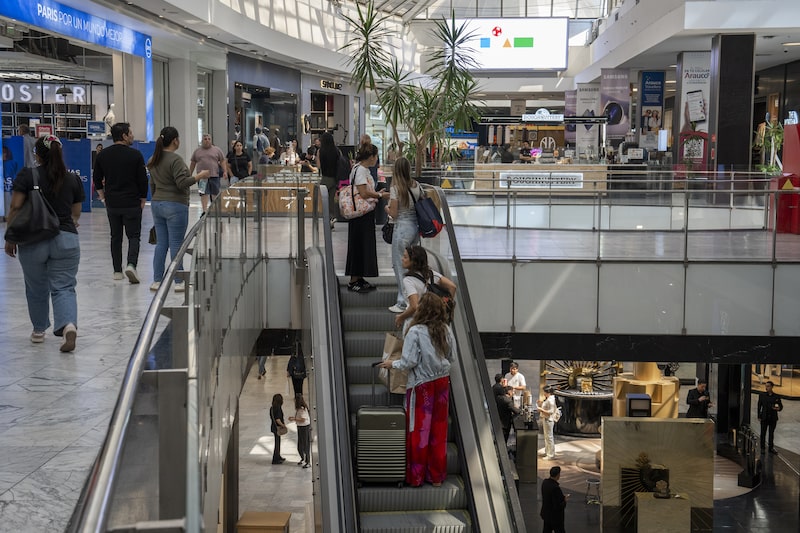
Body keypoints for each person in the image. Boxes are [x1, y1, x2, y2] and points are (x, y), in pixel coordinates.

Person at [4, 135, 84, 352]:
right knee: (64, 286)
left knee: (36, 287)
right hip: (66, 239)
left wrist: (10, 237)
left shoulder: (27, 175)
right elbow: (76, 213)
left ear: (37, 155)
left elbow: (15, 207)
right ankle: (68, 325)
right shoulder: (73, 179)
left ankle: (39, 330)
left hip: (33, 240)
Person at [378, 292, 456, 487]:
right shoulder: (446, 329)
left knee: (419, 430)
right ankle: (436, 477)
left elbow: (409, 361)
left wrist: (392, 364)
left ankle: (416, 477)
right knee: (439, 430)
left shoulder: (415, 331)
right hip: (442, 383)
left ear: (422, 309)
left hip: (422, 386)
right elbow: (452, 357)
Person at [147, 126, 209, 292]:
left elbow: (152, 184)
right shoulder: (176, 160)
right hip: (175, 205)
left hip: (157, 204)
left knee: (161, 244)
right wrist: (200, 176)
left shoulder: (153, 159)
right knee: (176, 244)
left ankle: (157, 280)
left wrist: (157, 198)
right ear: (175, 140)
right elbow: (182, 183)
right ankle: (178, 280)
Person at [93, 122, 148, 284]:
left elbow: (97, 179)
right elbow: (142, 180)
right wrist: (143, 199)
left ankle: (117, 271)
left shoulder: (103, 155)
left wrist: (103, 198)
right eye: (130, 133)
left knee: (115, 237)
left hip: (113, 203)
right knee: (134, 236)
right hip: (132, 202)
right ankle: (131, 265)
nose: (132, 136)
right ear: (124, 136)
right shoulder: (135, 155)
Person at [345, 143, 389, 293]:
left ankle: (359, 277)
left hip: (363, 214)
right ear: (371, 157)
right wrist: (380, 195)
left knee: (361, 245)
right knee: (359, 245)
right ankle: (354, 279)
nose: (376, 159)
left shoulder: (358, 168)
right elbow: (363, 193)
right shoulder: (361, 171)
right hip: (361, 215)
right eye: (376, 156)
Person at [386, 157, 422, 313]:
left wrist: (386, 209)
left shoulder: (396, 188)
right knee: (413, 266)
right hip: (415, 228)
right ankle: (415, 299)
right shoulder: (416, 185)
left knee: (400, 266)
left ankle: (403, 302)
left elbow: (394, 213)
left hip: (402, 229)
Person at [394, 245, 457, 332]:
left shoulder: (408, 280)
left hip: (416, 322)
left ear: (413, 261)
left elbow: (414, 306)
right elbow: (452, 286)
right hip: (435, 321)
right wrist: (445, 307)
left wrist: (401, 317)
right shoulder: (431, 274)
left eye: (405, 257)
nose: (402, 259)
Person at [189, 133, 228, 213]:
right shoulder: (197, 151)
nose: (207, 141)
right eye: (205, 139)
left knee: (215, 193)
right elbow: (193, 162)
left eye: (209, 139)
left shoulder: (217, 150)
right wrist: (190, 173)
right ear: (202, 141)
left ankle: (214, 210)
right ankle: (204, 210)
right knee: (203, 193)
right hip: (202, 177)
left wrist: (225, 171)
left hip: (214, 175)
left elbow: (222, 160)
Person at [757, 380, 783, 454]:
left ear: (772, 387)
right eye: (766, 386)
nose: (766, 388)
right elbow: (759, 406)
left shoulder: (776, 396)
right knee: (763, 433)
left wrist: (778, 408)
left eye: (768, 386)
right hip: (764, 417)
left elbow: (780, 406)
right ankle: (762, 448)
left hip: (773, 418)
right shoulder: (762, 395)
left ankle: (771, 447)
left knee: (771, 433)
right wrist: (759, 416)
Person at [540, 465, 568, 533]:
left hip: (546, 514)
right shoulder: (555, 488)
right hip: (555, 517)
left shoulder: (545, 483)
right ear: (558, 475)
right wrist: (564, 500)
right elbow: (558, 505)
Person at [288, 394, 311, 468]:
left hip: (304, 427)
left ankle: (308, 461)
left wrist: (294, 419)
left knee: (305, 444)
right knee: (300, 445)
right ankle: (303, 458)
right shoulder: (299, 409)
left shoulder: (302, 409)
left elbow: (303, 419)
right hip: (300, 427)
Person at [537, 386, 558, 459]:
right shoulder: (548, 399)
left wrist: (541, 410)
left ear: (548, 392)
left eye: (544, 392)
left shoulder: (551, 400)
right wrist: (541, 403)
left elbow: (551, 411)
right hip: (546, 418)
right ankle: (547, 452)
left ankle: (551, 454)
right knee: (546, 437)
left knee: (549, 437)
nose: (544, 393)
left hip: (549, 419)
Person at [269, 393, 287, 464]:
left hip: (273, 427)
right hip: (277, 428)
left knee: (277, 442)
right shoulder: (278, 408)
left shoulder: (272, 408)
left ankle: (278, 456)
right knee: (277, 443)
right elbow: (278, 419)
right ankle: (275, 459)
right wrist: (283, 425)